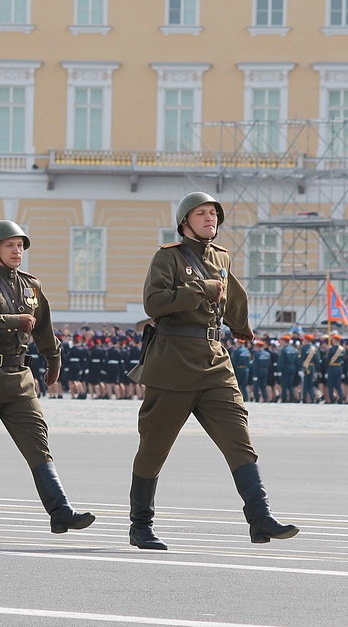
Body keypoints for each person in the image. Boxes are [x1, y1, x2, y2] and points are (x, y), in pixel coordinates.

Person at [127, 191, 298, 549]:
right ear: (184, 221)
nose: (210, 219)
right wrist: (199, 289)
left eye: (214, 214)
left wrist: (242, 326)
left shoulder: (220, 256)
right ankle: (140, 525)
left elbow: (232, 293)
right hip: (173, 362)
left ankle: (260, 518)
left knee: (240, 442)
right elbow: (153, 303)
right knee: (154, 448)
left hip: (215, 361)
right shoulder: (168, 258)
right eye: (201, 213)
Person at [0, 220, 95, 539]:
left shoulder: (31, 286)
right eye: (10, 245)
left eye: (21, 245)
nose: (17, 251)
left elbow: (43, 328)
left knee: (38, 446)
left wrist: (54, 359)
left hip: (19, 382)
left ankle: (60, 512)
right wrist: (12, 321)